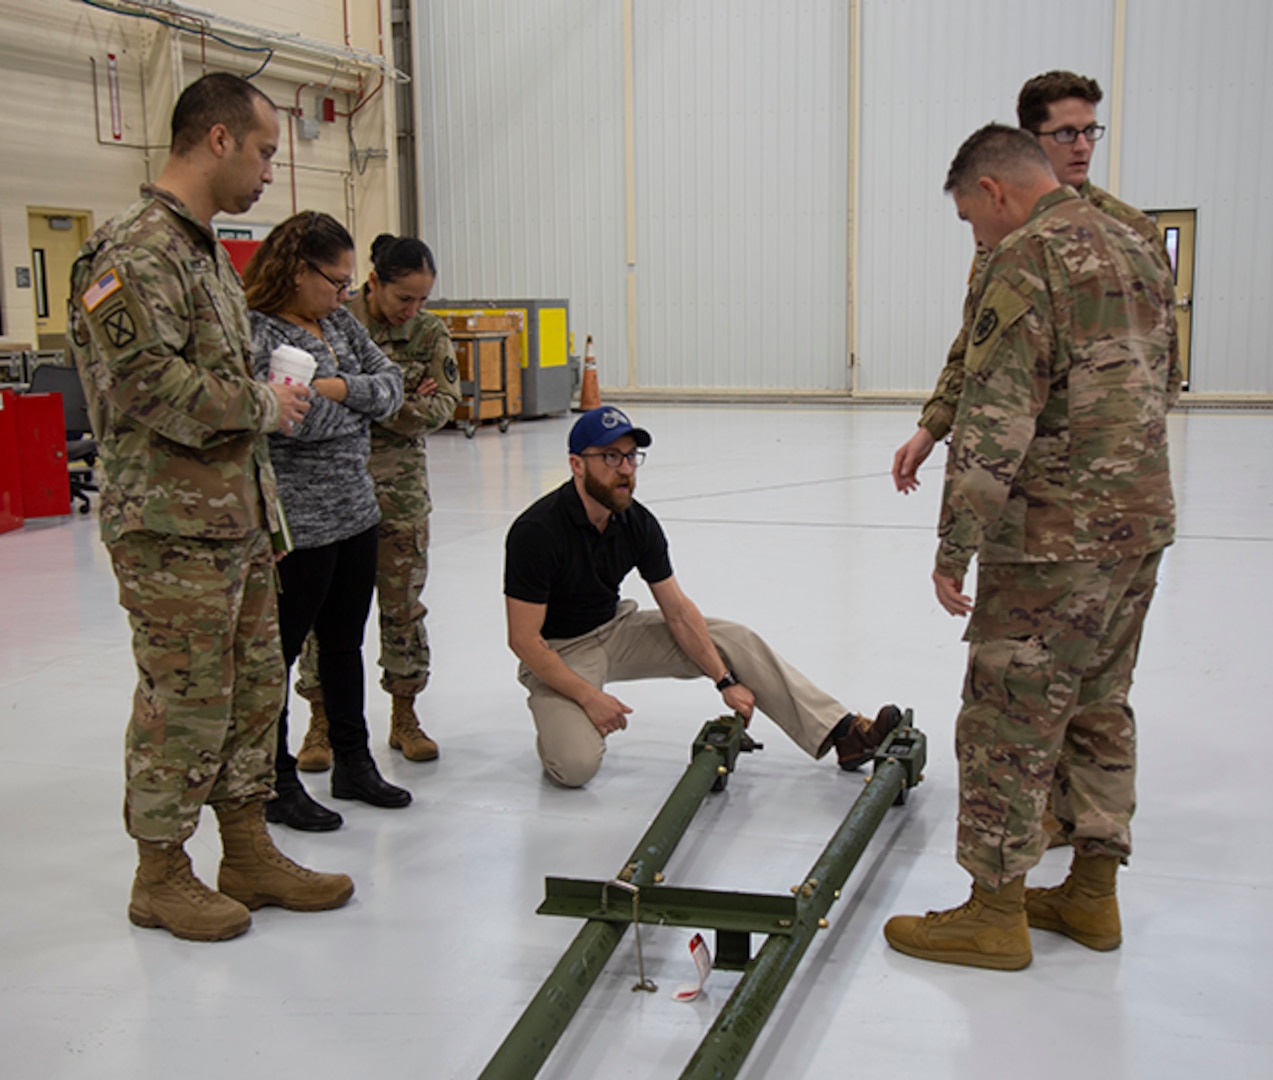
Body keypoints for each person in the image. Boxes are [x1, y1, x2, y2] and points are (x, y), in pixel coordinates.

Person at [882, 124, 1178, 971]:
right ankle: (1091, 896)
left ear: (994, 193)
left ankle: (994, 912)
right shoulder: (1132, 240)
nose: (977, 238)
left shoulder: (1025, 257)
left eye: (972, 221)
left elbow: (997, 417)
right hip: (1139, 520)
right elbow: (1162, 380)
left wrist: (954, 546)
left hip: (1054, 539)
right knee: (1098, 707)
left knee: (1006, 719)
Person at [67, 73, 353, 942]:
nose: (272, 169)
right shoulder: (133, 251)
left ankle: (246, 850)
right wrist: (265, 406)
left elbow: (209, 376)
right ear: (218, 139)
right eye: (266, 149)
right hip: (169, 527)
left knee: (254, 689)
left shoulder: (202, 251)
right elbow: (145, 382)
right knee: (182, 699)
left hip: (235, 517)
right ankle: (160, 873)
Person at [503, 406, 902, 788]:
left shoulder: (636, 522)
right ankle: (556, 718)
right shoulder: (537, 532)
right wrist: (589, 698)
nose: (625, 470)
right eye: (610, 457)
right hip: (560, 650)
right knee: (575, 767)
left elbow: (676, 611)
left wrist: (724, 679)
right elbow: (524, 640)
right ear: (577, 464)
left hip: (615, 629)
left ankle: (843, 732)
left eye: (630, 457)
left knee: (733, 639)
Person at [892, 70, 1174, 496]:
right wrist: (933, 426)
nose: (1082, 146)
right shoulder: (1002, 234)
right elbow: (977, 340)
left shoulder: (1132, 231)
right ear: (1028, 140)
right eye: (1065, 133)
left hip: (1103, 481)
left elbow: (1164, 365)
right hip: (1017, 478)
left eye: (1089, 131)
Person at [243, 212, 406, 831]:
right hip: (298, 526)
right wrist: (355, 400)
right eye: (335, 281)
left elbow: (391, 389)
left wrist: (336, 390)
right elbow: (292, 422)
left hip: (356, 513)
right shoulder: (257, 334)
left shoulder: (338, 321)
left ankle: (353, 761)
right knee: (279, 657)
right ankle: (276, 781)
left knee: (344, 644)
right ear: (295, 270)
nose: (344, 294)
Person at [292, 235, 461, 772]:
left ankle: (405, 715)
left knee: (403, 604)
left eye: (421, 300)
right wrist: (396, 398)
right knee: (324, 609)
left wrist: (365, 399)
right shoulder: (338, 323)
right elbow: (313, 398)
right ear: (374, 283)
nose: (412, 311)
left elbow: (446, 405)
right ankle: (320, 722)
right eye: (403, 298)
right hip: (337, 484)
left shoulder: (430, 332)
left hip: (401, 491)